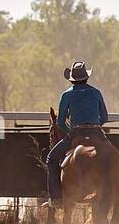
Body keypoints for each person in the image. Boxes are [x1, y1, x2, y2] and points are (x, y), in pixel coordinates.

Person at [44, 61, 109, 206]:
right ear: (87, 77)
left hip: (76, 132)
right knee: (113, 156)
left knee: (51, 159)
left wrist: (70, 133)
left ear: (72, 78)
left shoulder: (66, 95)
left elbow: (60, 122)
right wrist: (95, 125)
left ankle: (55, 199)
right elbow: (104, 117)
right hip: (96, 132)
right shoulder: (96, 92)